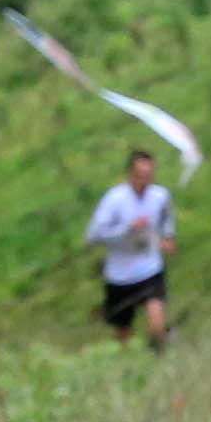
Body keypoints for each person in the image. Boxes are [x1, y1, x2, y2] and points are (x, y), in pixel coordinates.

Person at [85, 148, 176, 346]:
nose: (144, 180)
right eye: (140, 175)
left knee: (156, 322)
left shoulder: (160, 196)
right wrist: (126, 230)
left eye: (149, 175)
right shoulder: (114, 199)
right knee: (123, 332)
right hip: (119, 275)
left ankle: (159, 348)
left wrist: (167, 238)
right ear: (129, 174)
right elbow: (92, 235)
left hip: (150, 269)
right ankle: (128, 359)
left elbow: (166, 220)